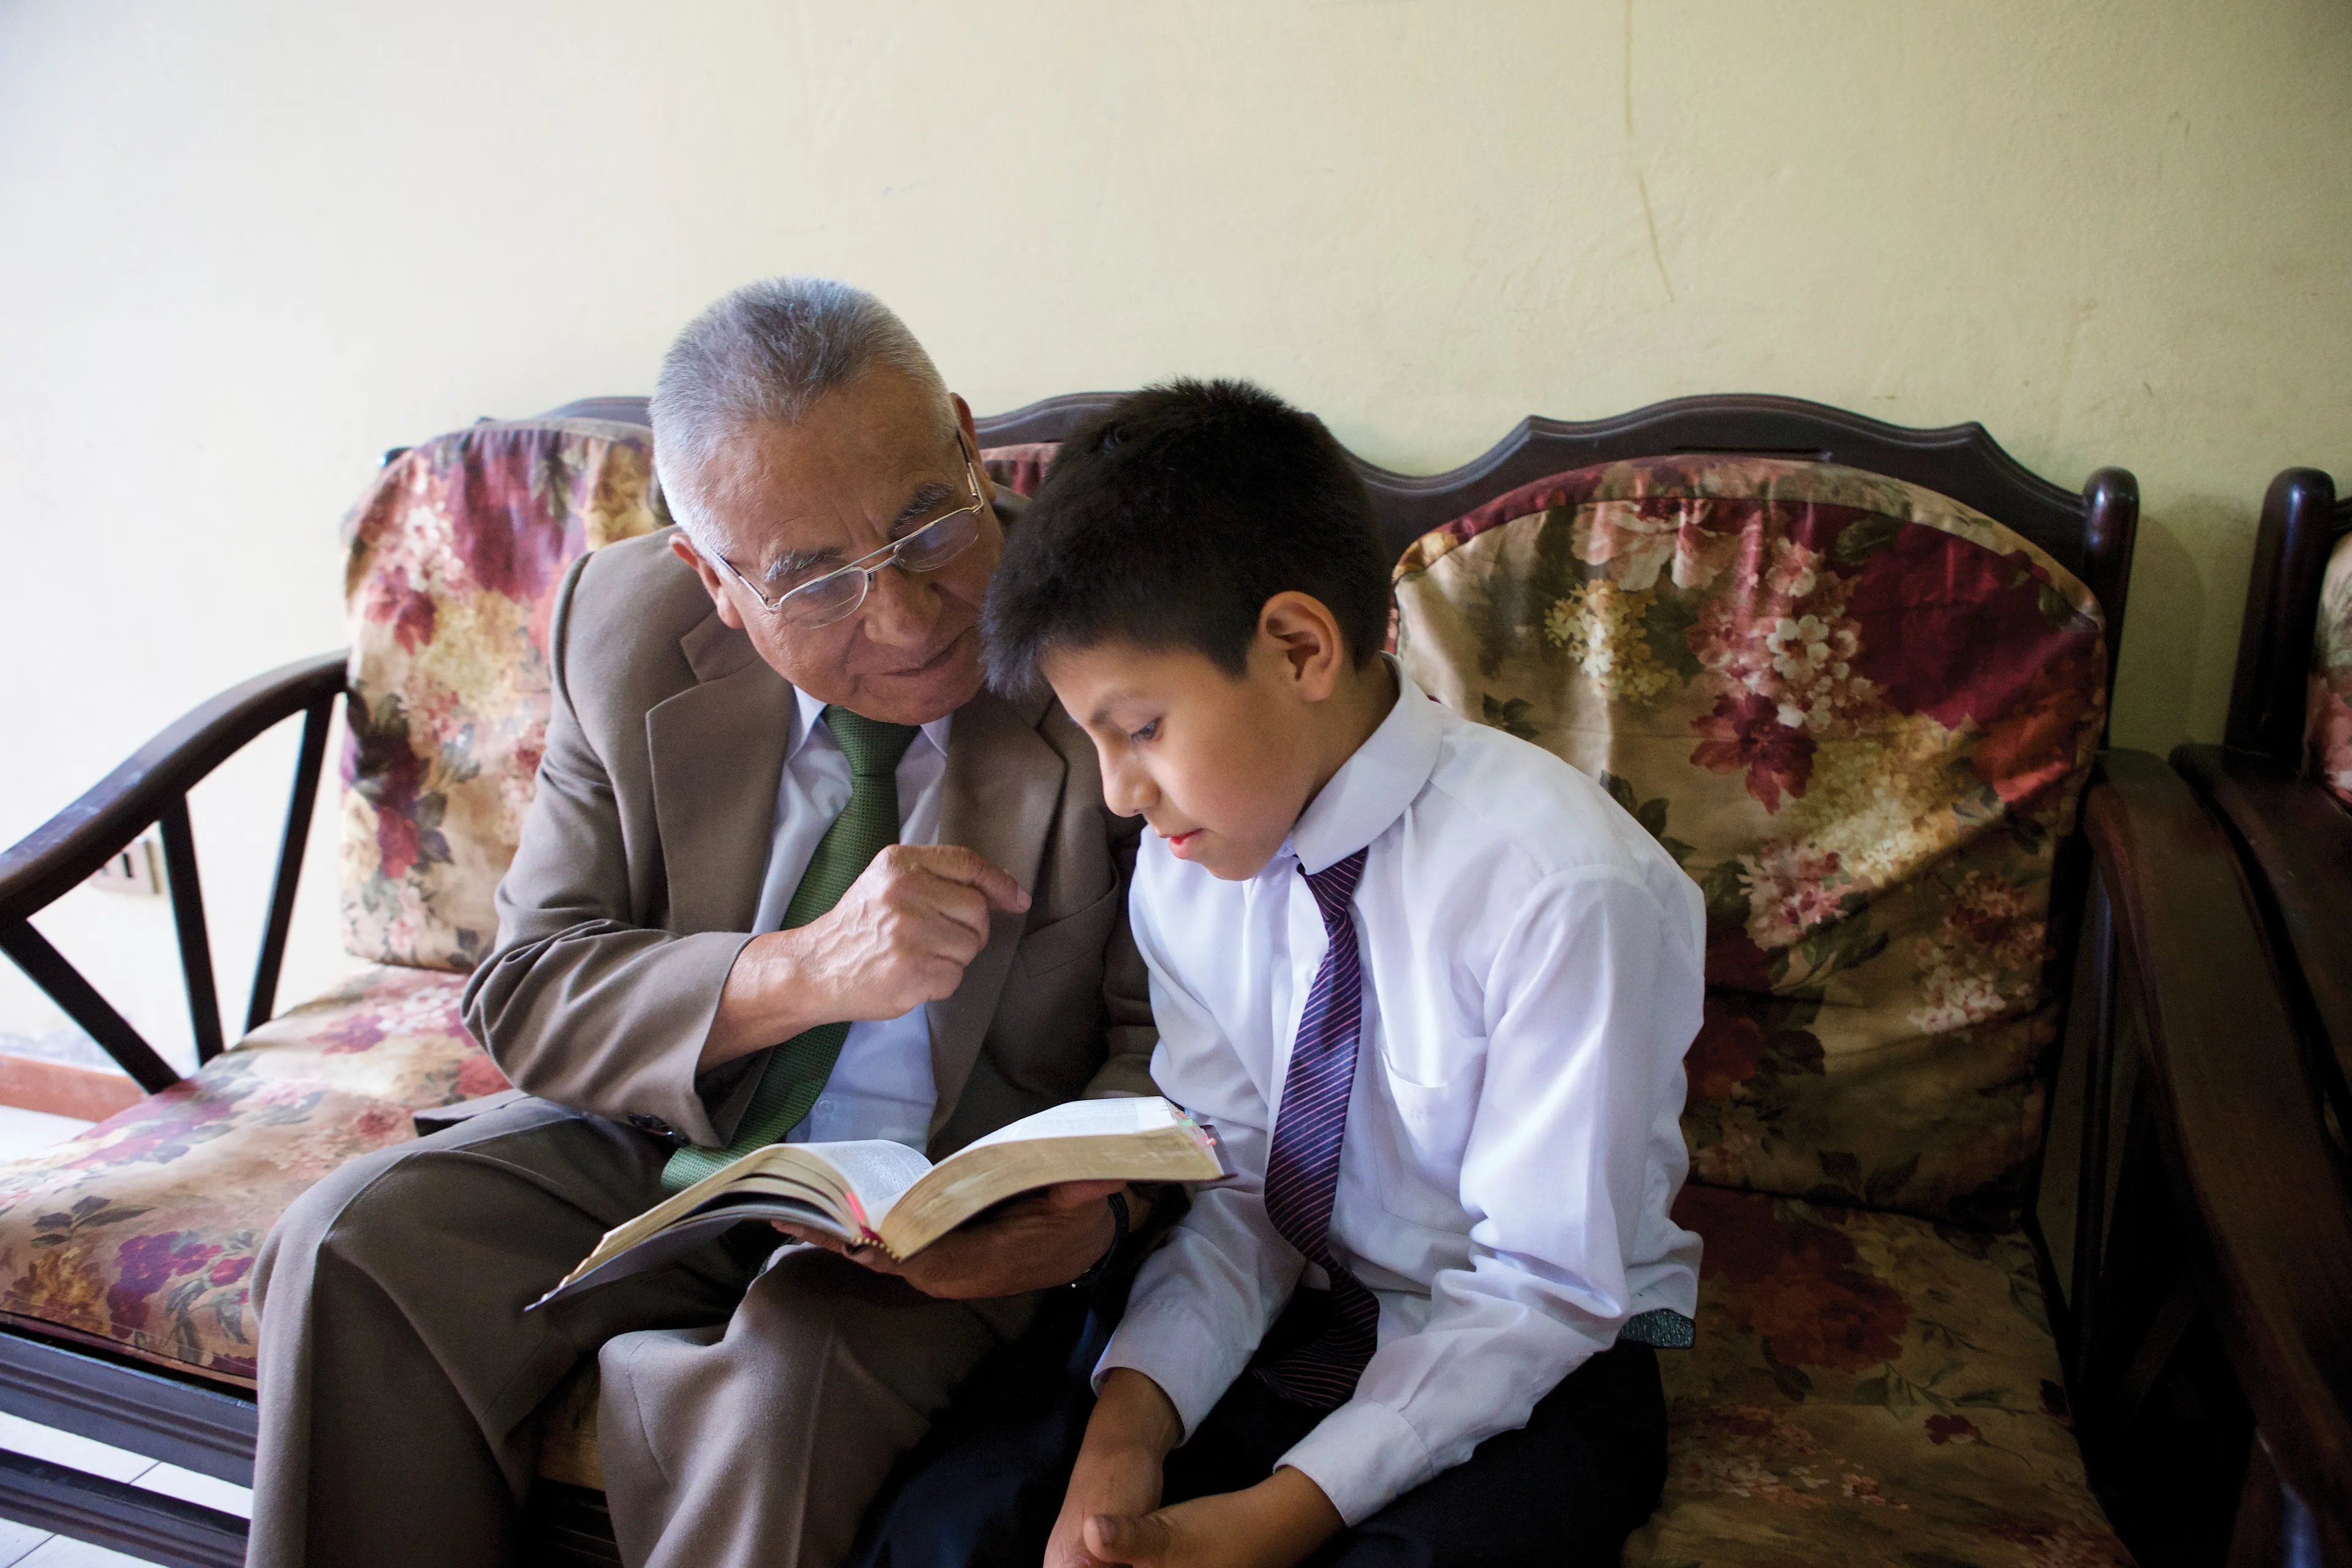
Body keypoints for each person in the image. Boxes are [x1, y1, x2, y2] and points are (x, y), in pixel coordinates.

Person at [246, 278, 1166, 1568]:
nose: (904, 620)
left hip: (948, 1202)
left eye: (924, 531)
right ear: (716, 580)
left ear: (965, 442)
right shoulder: (624, 624)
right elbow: (526, 988)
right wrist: (796, 972)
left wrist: (1100, 1209)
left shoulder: (1119, 642)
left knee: (791, 1375)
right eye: (815, 583)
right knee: (352, 1245)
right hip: (671, 1133)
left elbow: (1180, 1031)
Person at [863, 379, 1706, 1568]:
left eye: (1141, 726)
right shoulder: (1187, 867)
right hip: (1290, 1300)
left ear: (1301, 647)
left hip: (1541, 1347)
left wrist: (1272, 1516)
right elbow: (1244, 1190)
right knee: (956, 1522)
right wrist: (1128, 1435)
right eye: (1095, 737)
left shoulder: (1560, 892)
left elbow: (1541, 1292)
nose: (1118, 790)